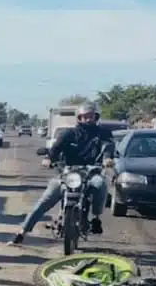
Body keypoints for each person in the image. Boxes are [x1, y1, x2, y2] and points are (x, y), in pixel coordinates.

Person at [9, 102, 115, 245]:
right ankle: (22, 232)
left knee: (100, 184)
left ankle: (96, 217)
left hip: (91, 172)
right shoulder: (69, 133)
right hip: (68, 173)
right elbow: (56, 148)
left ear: (96, 117)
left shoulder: (103, 133)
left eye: (91, 116)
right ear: (79, 118)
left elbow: (108, 147)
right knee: (46, 198)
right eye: (85, 116)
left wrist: (107, 158)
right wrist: (48, 158)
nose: (88, 119)